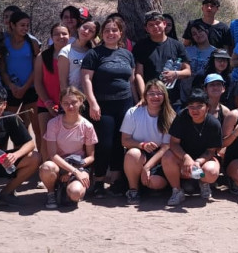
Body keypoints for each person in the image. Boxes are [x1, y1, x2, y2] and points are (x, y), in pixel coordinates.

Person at [81, 16, 140, 196]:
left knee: (119, 143)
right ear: (102, 34)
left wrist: (137, 103)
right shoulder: (94, 54)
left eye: (114, 30)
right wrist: (92, 103)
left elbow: (131, 81)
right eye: (107, 30)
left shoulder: (127, 54)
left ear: (120, 33)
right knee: (104, 143)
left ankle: (116, 180)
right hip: (102, 104)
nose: (111, 33)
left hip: (125, 103)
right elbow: (86, 79)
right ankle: (98, 181)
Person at [162, 89, 223, 206]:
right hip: (182, 159)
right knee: (167, 156)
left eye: (199, 106)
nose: (195, 110)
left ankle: (204, 183)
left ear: (207, 107)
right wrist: (186, 158)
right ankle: (177, 190)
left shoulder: (214, 124)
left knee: (211, 172)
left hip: (203, 161)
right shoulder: (182, 117)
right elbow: (173, 143)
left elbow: (211, 150)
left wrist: (198, 162)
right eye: (191, 106)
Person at [39, 86, 97, 210]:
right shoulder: (53, 123)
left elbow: (91, 157)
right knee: (47, 167)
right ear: (60, 104)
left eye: (74, 102)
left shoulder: (87, 126)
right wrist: (72, 171)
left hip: (78, 164)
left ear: (81, 101)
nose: (70, 107)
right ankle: (51, 193)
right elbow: (52, 155)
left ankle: (66, 189)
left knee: (75, 193)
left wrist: (74, 170)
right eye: (66, 103)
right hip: (59, 165)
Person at [121, 80, 176, 205]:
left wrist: (147, 167)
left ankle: (149, 184)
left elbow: (166, 146)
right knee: (133, 154)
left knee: (155, 183)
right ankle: (133, 190)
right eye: (151, 93)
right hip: (139, 153)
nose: (155, 97)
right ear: (145, 95)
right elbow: (125, 140)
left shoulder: (171, 116)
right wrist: (142, 145)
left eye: (159, 93)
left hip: (159, 156)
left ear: (165, 96)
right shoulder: (133, 112)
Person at [133, 11, 189, 108]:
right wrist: (143, 96)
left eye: (158, 23)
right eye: (151, 25)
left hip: (173, 100)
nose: (155, 27)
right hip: (151, 100)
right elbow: (139, 74)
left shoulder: (177, 45)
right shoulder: (140, 46)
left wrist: (175, 74)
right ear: (146, 28)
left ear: (164, 24)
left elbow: (187, 71)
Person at [2, 9, 40, 138]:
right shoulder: (4, 42)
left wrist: (25, 87)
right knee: (9, 125)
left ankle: (40, 156)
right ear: (13, 25)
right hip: (11, 89)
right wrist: (11, 85)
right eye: (22, 25)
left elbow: (36, 68)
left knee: (37, 127)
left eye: (27, 25)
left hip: (30, 88)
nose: (25, 28)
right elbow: (2, 68)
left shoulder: (32, 43)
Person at [33, 23, 71, 145]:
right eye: (56, 34)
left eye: (64, 33)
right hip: (46, 104)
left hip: (70, 105)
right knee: (47, 140)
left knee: (67, 141)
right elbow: (38, 82)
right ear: (51, 37)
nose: (61, 36)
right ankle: (46, 164)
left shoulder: (74, 55)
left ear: (69, 35)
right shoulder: (43, 56)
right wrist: (48, 103)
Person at [58, 19, 97, 95]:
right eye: (85, 27)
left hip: (88, 96)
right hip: (72, 98)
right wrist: (68, 99)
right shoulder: (66, 51)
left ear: (94, 36)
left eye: (91, 31)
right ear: (78, 28)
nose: (86, 32)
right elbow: (63, 81)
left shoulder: (92, 53)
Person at [184, 20, 218, 101]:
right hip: (185, 93)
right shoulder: (186, 51)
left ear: (206, 31)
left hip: (205, 93)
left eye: (200, 31)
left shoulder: (216, 52)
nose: (198, 35)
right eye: (194, 34)